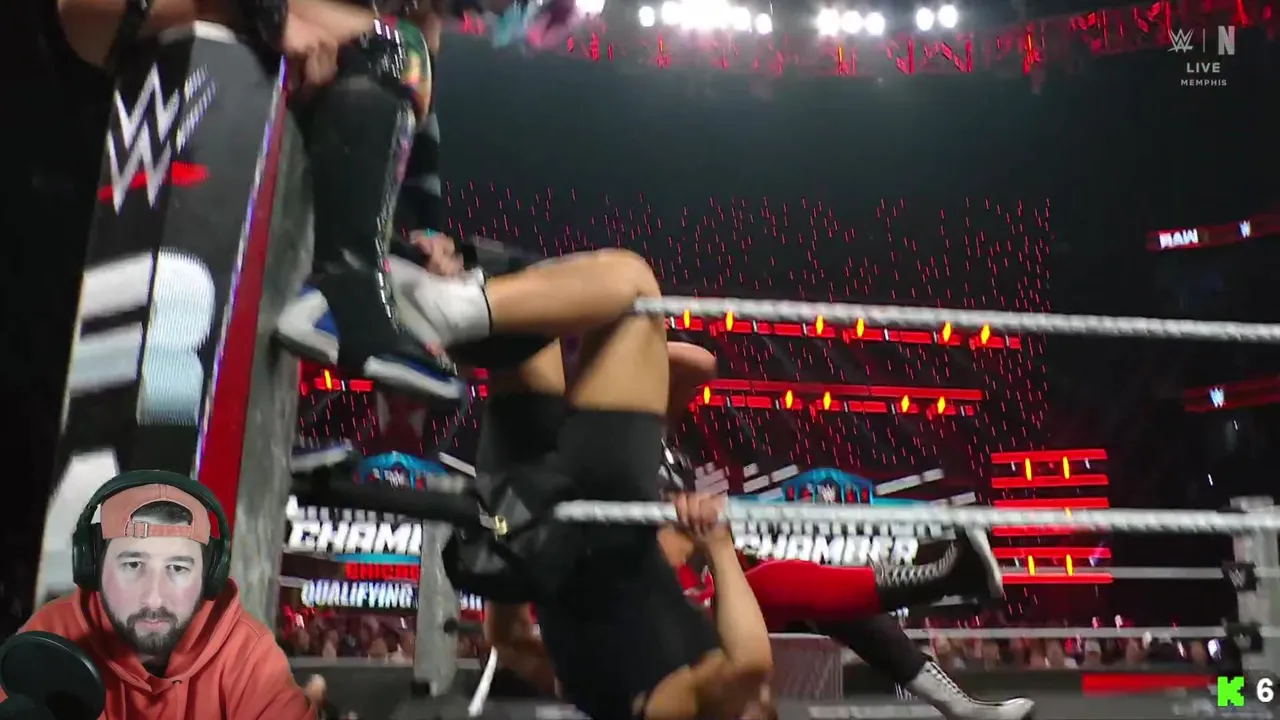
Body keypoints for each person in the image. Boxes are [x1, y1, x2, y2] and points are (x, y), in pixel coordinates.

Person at [0, 470, 323, 719]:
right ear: (92, 566)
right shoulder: (53, 635)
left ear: (209, 576)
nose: (154, 598)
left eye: (178, 568)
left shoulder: (248, 655)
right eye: (133, 564)